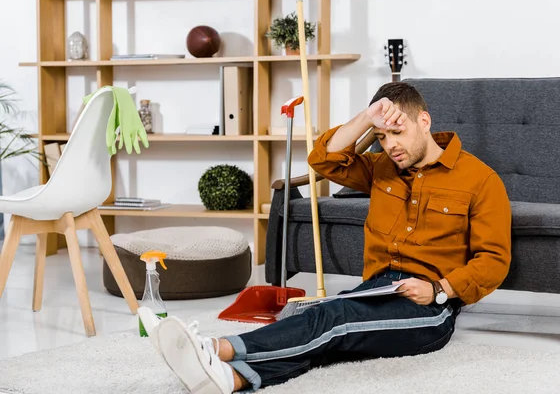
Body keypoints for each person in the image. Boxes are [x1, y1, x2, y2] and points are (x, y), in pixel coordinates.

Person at [138, 81, 512, 394]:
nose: (391, 145)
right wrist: (368, 117)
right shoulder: (381, 167)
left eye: (398, 132)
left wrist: (439, 289)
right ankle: (232, 379)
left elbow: (493, 260)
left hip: (431, 308)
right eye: (381, 137)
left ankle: (217, 349)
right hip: (378, 287)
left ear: (424, 121)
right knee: (325, 332)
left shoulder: (480, 180)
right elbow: (324, 160)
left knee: (335, 318)